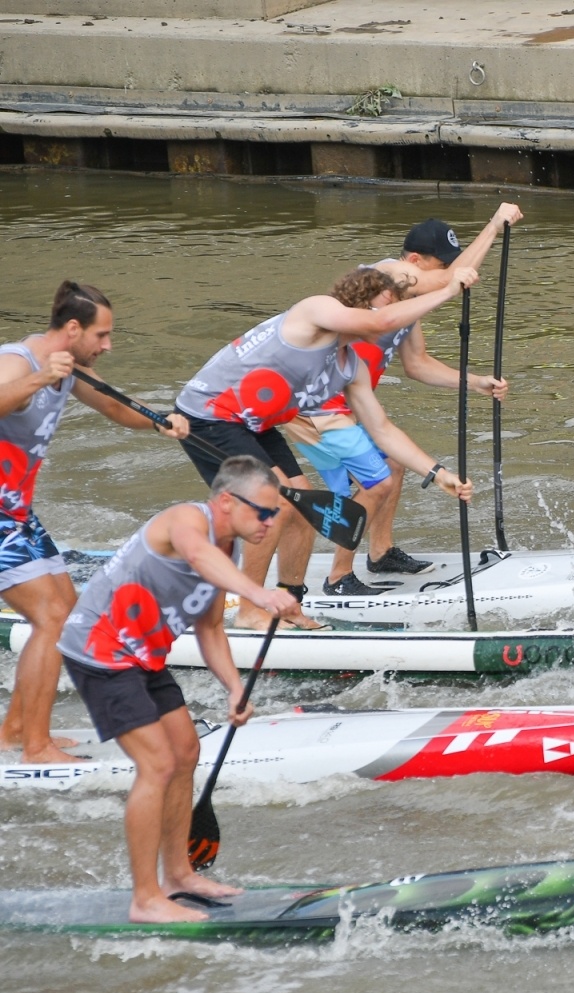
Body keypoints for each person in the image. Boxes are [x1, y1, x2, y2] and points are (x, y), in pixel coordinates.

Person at [56, 456, 300, 923]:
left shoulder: (226, 550)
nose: (271, 522)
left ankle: (179, 875)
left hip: (145, 656)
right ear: (227, 501)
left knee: (186, 752)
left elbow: (210, 629)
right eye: (264, 512)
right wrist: (260, 593)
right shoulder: (188, 520)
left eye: (275, 514)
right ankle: (145, 898)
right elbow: (196, 555)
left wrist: (233, 688)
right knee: (158, 764)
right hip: (100, 650)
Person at [173, 266, 475, 631]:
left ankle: (289, 604)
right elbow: (383, 322)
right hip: (206, 416)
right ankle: (251, 610)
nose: (391, 318)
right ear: (357, 304)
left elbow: (382, 429)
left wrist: (436, 473)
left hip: (255, 424)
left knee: (302, 506)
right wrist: (448, 290)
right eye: (383, 307)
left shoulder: (350, 365)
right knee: (275, 502)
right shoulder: (315, 311)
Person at [0, 281, 191, 765]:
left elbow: (113, 406)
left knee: (67, 611)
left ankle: (17, 731)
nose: (107, 345)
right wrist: (41, 378)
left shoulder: (71, 369)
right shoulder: (19, 362)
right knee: (51, 619)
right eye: (101, 335)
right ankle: (36, 749)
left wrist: (158, 421)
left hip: (16, 510)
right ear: (71, 329)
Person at [290, 205, 519, 595]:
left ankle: (380, 554)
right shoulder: (389, 274)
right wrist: (494, 227)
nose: (447, 271)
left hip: (348, 402)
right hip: (317, 403)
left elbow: (418, 364)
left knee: (391, 465)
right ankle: (338, 578)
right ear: (414, 260)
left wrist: (475, 382)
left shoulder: (405, 307)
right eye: (438, 264)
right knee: (373, 478)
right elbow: (449, 280)